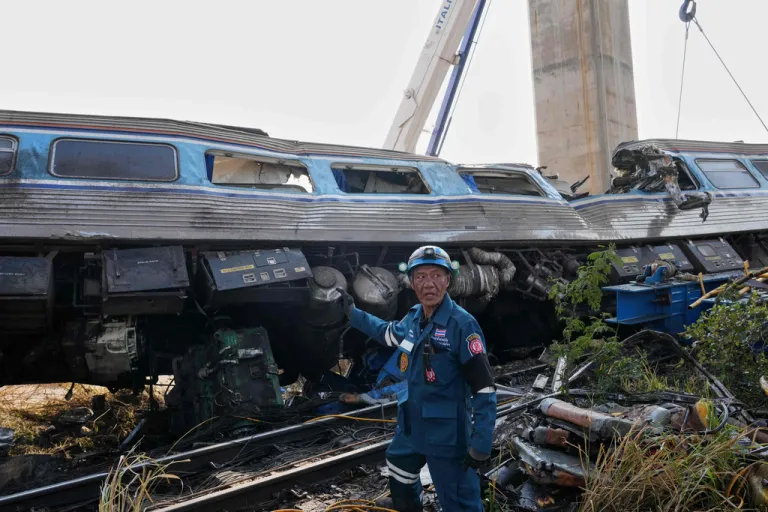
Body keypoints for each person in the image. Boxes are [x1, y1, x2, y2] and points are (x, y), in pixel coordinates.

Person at [338, 245, 496, 512]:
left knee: (458, 501)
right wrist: (353, 314)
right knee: (398, 465)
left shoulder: (462, 325)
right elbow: (387, 333)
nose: (429, 284)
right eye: (421, 276)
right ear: (411, 282)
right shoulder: (413, 318)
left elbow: (484, 387)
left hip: (446, 433)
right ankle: (408, 506)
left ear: (448, 280)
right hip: (411, 424)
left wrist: (481, 443)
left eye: (436, 275)